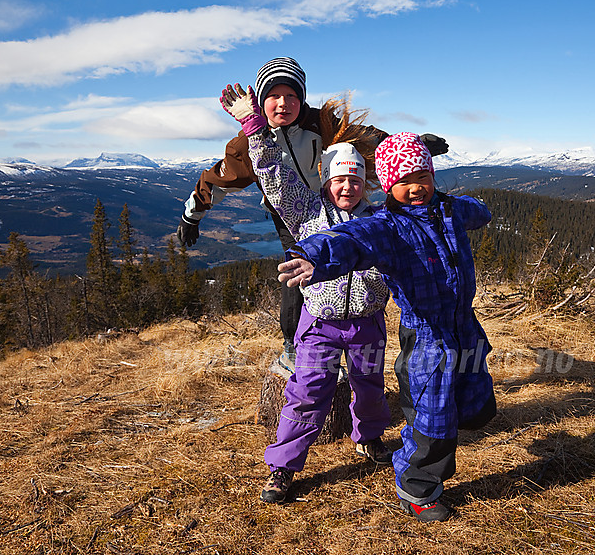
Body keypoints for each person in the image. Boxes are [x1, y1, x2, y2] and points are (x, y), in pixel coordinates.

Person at [277, 132, 497, 522]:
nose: (416, 188)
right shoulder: (387, 226)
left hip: (465, 325)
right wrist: (312, 255)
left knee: (475, 399)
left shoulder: (447, 210)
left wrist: (472, 207)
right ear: (388, 186)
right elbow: (349, 239)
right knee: (432, 416)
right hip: (428, 335)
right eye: (404, 181)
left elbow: (477, 211)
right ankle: (417, 487)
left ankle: (462, 420)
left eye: (423, 177)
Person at [176, 57, 449, 371]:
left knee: (353, 258)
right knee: (299, 269)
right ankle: (295, 343)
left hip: (336, 202)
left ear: (301, 98)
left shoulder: (319, 122)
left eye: (291, 96)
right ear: (260, 100)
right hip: (291, 213)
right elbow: (217, 180)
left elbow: (365, 135)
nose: (283, 104)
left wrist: (410, 144)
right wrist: (192, 215)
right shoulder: (246, 145)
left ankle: (353, 326)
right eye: (274, 96)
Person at [221, 84, 393, 503]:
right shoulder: (307, 212)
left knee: (369, 386)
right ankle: (282, 467)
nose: (347, 187)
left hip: (367, 322)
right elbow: (275, 177)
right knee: (307, 393)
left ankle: (368, 439)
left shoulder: (379, 218)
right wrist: (254, 128)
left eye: (354, 179)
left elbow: (414, 200)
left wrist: (410, 150)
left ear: (365, 181)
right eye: (339, 179)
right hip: (320, 324)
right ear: (326, 180)